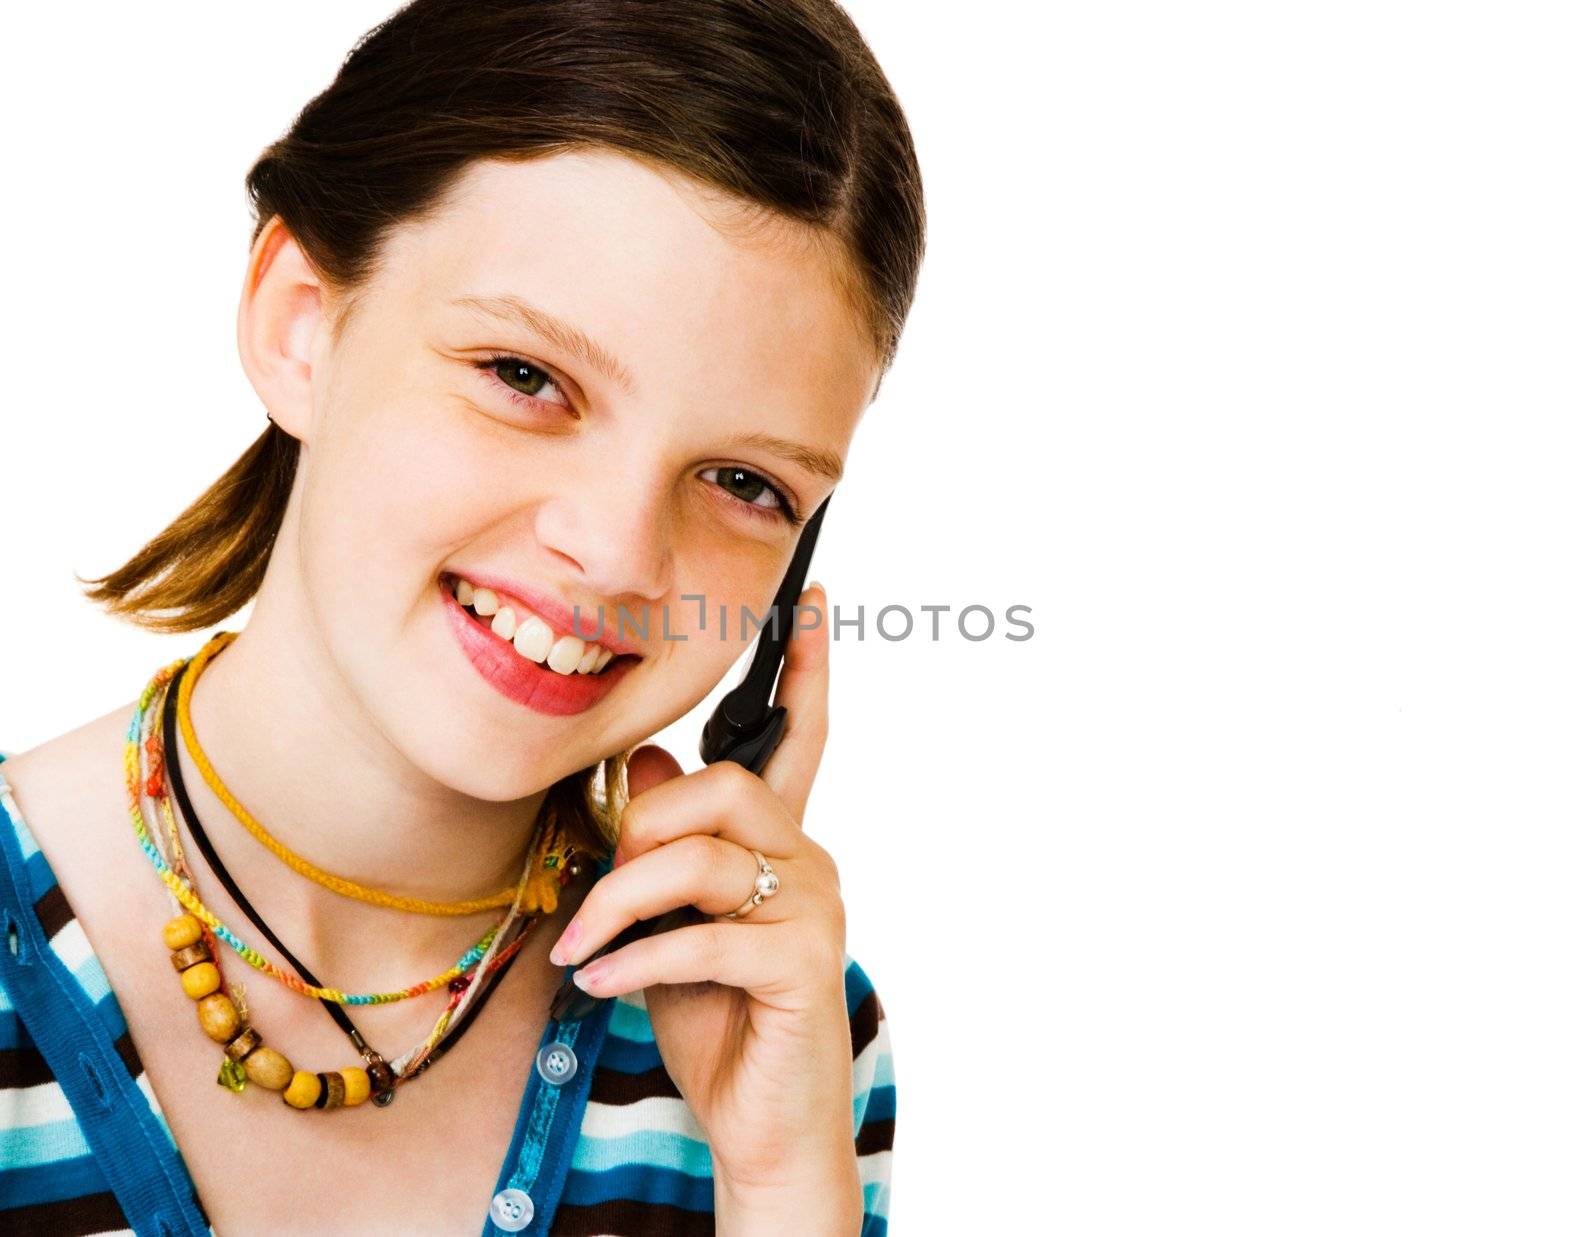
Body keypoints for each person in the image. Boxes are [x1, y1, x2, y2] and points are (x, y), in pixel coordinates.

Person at [0, 0, 924, 1232]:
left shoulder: (782, 1028)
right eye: (526, 377)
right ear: (302, 326)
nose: (614, 552)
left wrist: (777, 1185)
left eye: (746, 483)